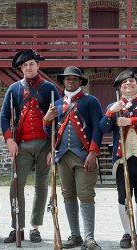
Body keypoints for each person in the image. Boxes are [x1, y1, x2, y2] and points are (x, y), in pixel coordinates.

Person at [0, 49, 60, 243]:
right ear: (21, 68)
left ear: (38, 66)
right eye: (25, 65)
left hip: (44, 144)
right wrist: (9, 140)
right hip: (22, 145)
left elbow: (59, 119)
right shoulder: (14, 89)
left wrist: (52, 147)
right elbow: (4, 116)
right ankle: (17, 226)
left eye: (31, 64)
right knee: (15, 186)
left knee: (41, 186)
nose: (28, 67)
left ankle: (35, 228)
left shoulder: (50, 88)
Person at [43, 66, 103, 250]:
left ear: (80, 81)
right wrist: (47, 119)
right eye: (67, 79)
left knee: (85, 195)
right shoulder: (58, 104)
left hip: (84, 156)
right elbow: (50, 132)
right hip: (62, 156)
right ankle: (75, 235)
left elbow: (98, 128)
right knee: (68, 195)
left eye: (74, 79)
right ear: (63, 82)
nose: (70, 81)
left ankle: (89, 238)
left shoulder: (90, 101)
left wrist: (93, 152)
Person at [99, 68, 137, 249]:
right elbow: (103, 128)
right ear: (120, 88)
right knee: (123, 197)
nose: (128, 84)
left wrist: (130, 121)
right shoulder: (113, 106)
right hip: (122, 159)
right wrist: (111, 113)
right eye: (124, 83)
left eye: (131, 81)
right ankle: (126, 232)